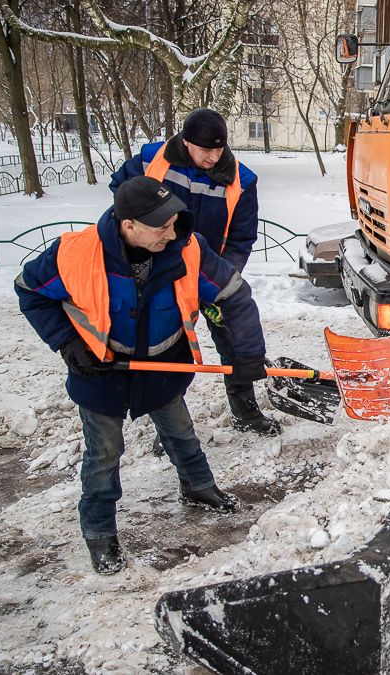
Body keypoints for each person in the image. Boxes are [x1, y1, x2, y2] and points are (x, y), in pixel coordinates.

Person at [15, 176, 269, 575]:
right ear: (127, 223)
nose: (171, 234)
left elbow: (233, 293)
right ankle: (99, 530)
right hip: (99, 369)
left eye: (173, 223)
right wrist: (68, 343)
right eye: (161, 226)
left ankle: (197, 485)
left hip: (164, 363)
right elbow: (29, 290)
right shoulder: (75, 253)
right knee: (104, 452)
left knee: (180, 430)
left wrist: (249, 354)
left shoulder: (187, 249)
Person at [110, 108, 281, 442]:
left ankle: (245, 412)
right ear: (186, 142)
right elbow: (121, 191)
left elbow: (241, 239)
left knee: (232, 341)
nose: (214, 156)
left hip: (208, 272)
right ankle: (169, 426)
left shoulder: (241, 180)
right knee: (165, 347)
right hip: (159, 271)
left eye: (220, 148)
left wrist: (221, 285)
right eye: (206, 149)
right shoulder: (151, 159)